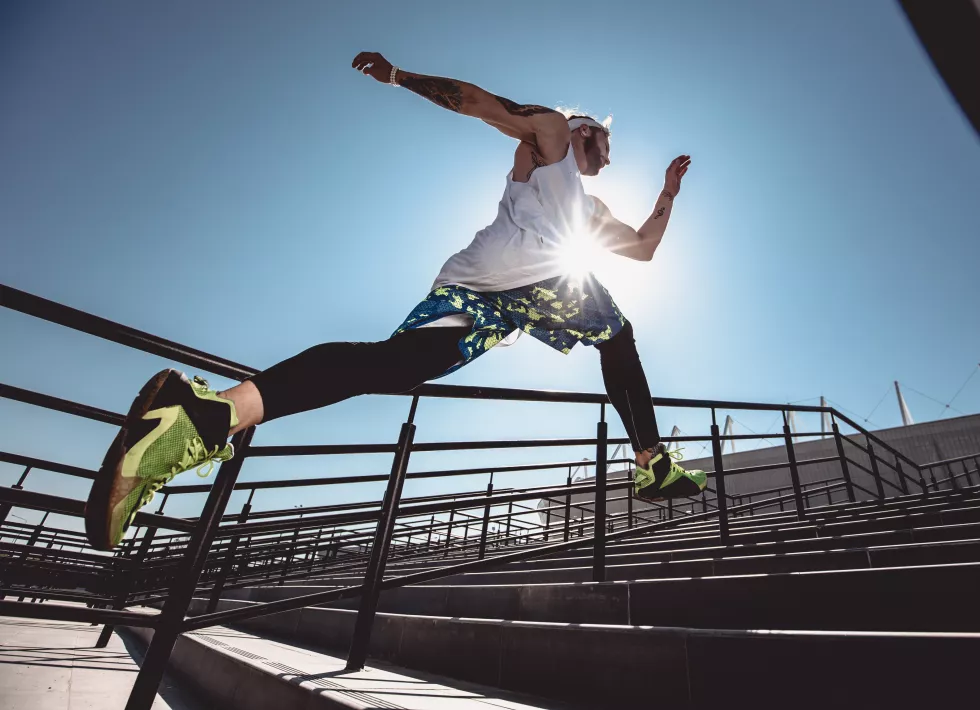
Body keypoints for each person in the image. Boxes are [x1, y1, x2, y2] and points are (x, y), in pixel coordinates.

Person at [83, 52, 705, 551]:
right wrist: (401, 77)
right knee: (615, 335)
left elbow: (645, 247)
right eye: (607, 144)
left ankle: (202, 416)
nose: (610, 157)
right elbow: (484, 105)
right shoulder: (549, 136)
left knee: (390, 365)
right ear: (586, 131)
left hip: (482, 289)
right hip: (529, 277)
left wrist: (668, 194)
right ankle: (651, 459)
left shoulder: (588, 209)